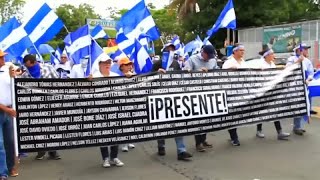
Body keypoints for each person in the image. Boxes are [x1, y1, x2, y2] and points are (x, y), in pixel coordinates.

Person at [152, 43, 192, 161]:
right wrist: (156, 73)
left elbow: (179, 77)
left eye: (172, 49)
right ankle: (161, 145)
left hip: (174, 97)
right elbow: (147, 77)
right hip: (159, 97)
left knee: (177, 123)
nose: (171, 51)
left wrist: (187, 72)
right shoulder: (158, 63)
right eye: (168, 49)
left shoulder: (175, 63)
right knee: (162, 124)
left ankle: (181, 151)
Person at [20, 54, 61, 160]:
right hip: (35, 105)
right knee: (38, 129)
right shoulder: (25, 75)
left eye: (29, 65)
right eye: (26, 66)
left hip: (50, 102)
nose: (28, 68)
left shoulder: (48, 68)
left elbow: (58, 82)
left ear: (34, 62)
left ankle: (53, 152)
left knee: (51, 128)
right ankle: (41, 150)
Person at [90, 54, 124, 168]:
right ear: (99, 65)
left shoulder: (115, 75)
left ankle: (114, 157)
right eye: (105, 63)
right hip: (100, 110)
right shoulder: (94, 76)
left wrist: (129, 76)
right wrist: (88, 82)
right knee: (103, 135)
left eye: (109, 63)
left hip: (114, 110)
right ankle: (105, 158)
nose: (107, 65)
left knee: (115, 134)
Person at [185, 45, 217, 152]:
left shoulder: (212, 60)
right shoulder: (192, 59)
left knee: (207, 118)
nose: (209, 58)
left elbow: (218, 72)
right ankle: (198, 143)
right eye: (208, 56)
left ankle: (204, 139)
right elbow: (185, 74)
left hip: (209, 92)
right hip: (196, 93)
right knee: (199, 119)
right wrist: (197, 71)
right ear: (203, 52)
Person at [254, 47, 291, 140]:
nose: (274, 56)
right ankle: (259, 130)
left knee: (275, 110)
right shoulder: (260, 64)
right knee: (261, 111)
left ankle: (279, 132)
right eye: (272, 54)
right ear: (267, 56)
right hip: (262, 91)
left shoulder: (272, 64)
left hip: (271, 91)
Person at [286, 43, 314, 136]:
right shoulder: (291, 59)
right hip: (296, 87)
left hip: (305, 86)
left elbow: (311, 73)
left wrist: (308, 79)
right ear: (299, 50)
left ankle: (299, 126)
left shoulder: (307, 61)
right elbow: (288, 69)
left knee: (306, 106)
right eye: (305, 49)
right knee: (298, 106)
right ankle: (296, 126)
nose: (306, 51)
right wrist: (298, 61)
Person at [222, 44, 247, 146]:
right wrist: (229, 71)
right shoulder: (228, 62)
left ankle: (233, 135)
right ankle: (234, 137)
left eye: (243, 50)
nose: (242, 52)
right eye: (240, 50)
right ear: (235, 51)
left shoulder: (243, 62)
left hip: (241, 92)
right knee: (232, 115)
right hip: (230, 92)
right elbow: (220, 76)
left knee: (237, 115)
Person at [0, 50, 17, 180]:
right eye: (1, 58)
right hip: (3, 110)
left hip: (9, 111)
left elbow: (15, 85)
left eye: (3, 57)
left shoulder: (8, 69)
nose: (3, 59)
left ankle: (11, 167)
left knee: (10, 142)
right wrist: (6, 109)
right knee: (0, 144)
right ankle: (3, 172)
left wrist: (14, 76)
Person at [117, 57, 135, 152]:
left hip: (130, 101)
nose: (129, 66)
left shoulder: (133, 75)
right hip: (121, 101)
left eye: (130, 64)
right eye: (127, 65)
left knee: (130, 122)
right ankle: (124, 143)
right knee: (123, 123)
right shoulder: (117, 75)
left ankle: (129, 140)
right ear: (121, 66)